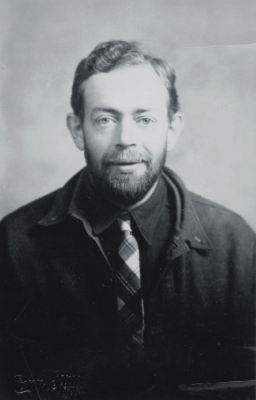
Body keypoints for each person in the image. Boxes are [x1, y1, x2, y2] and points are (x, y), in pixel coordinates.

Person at [0, 40, 255, 400]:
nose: (126, 139)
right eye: (105, 119)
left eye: (145, 119)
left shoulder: (237, 245)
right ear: (77, 130)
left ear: (173, 128)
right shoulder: (13, 244)